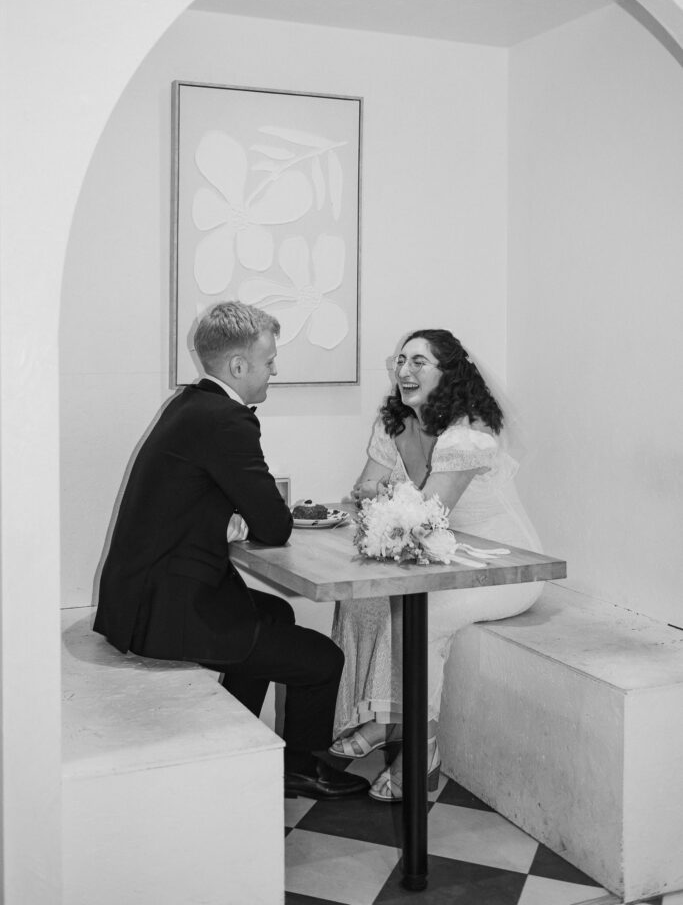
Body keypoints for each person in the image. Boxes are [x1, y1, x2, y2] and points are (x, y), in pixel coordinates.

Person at [94, 301, 368, 800]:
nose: (275, 370)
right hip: (168, 612)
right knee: (323, 659)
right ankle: (300, 768)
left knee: (279, 613)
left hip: (144, 596)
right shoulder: (226, 420)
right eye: (269, 361)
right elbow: (275, 524)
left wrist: (231, 519)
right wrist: (245, 518)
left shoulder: (189, 405)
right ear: (238, 367)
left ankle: (239, 741)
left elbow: (212, 504)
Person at [330, 329, 543, 802]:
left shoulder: (466, 435)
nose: (404, 371)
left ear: (448, 372)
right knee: (361, 600)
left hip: (504, 567)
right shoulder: (394, 426)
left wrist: (383, 502)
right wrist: (377, 502)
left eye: (419, 362)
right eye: (401, 360)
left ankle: (420, 753)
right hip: (443, 556)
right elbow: (366, 490)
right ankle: (386, 720)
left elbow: (429, 515)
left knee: (422, 619)